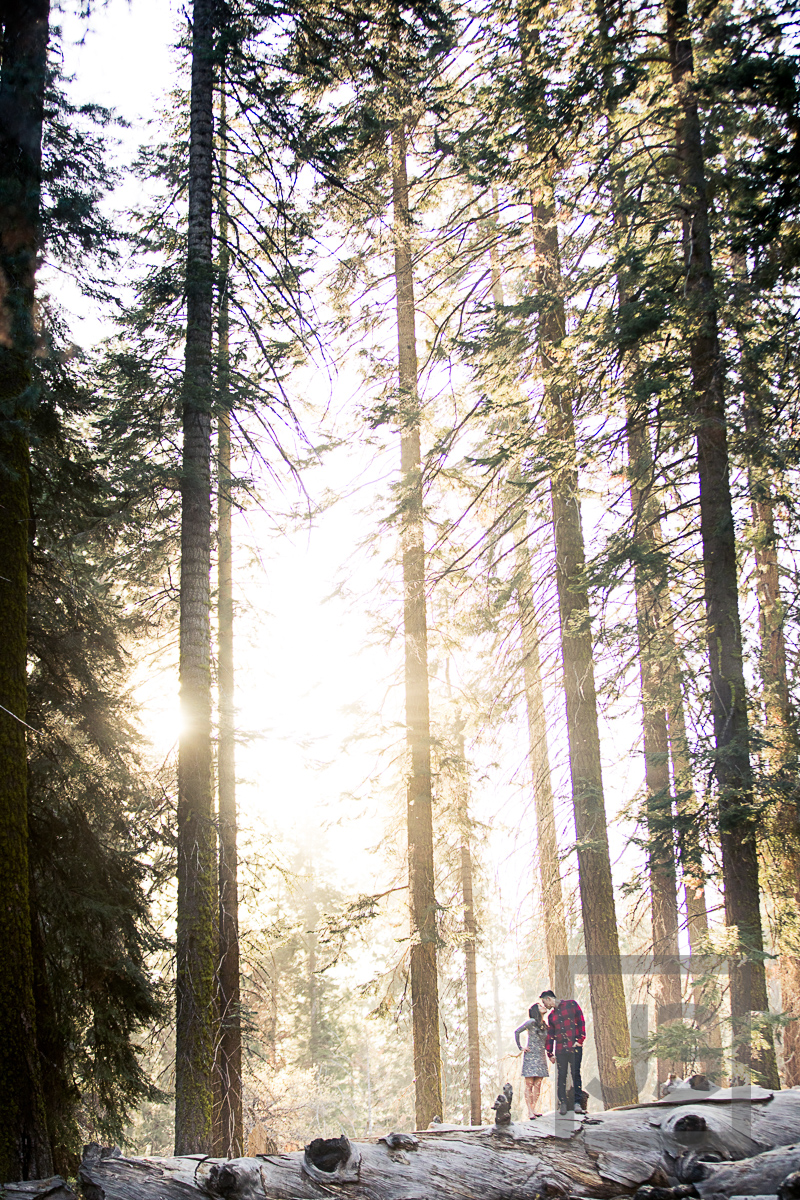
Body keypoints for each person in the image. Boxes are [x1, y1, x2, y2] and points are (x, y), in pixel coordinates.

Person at [540, 989, 586, 1115]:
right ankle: (563, 1103)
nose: (545, 1006)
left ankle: (577, 1103)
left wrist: (581, 1039)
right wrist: (549, 1053)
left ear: (549, 999)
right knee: (561, 1076)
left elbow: (581, 1020)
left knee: (575, 1073)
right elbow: (551, 1035)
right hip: (560, 1050)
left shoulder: (571, 1004)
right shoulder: (551, 1016)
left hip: (575, 1046)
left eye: (545, 1002)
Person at [514, 1002, 549, 1118]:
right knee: (529, 1084)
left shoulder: (544, 1025)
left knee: (538, 1084)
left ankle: (534, 1109)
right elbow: (517, 1031)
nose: (543, 1006)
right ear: (535, 1010)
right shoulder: (531, 1022)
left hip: (541, 1056)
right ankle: (529, 1110)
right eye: (540, 1006)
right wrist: (521, 1047)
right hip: (531, 1055)